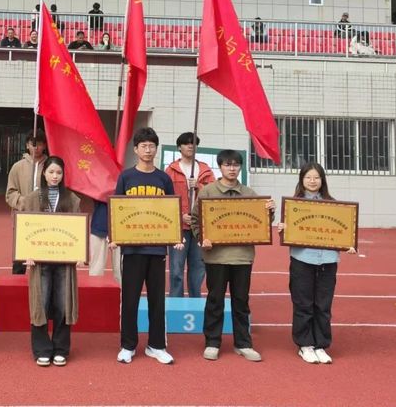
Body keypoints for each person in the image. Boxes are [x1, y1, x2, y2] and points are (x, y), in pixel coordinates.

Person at [191, 149, 275, 362]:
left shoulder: (249, 193)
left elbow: (262, 222)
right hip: (216, 257)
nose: (232, 168)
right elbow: (195, 220)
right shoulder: (207, 192)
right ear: (220, 166)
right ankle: (212, 342)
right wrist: (202, 238)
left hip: (242, 256)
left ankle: (243, 343)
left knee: (241, 301)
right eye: (227, 164)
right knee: (215, 300)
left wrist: (270, 211)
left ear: (240, 167)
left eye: (236, 165)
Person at [278, 163, 357, 365]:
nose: (312, 181)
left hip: (328, 261)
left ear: (322, 180)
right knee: (303, 303)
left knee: (323, 305)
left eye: (316, 177)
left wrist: (348, 243)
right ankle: (305, 345)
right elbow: (287, 232)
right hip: (302, 259)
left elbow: (344, 230)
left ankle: (320, 345)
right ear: (301, 180)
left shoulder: (334, 205)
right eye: (308, 177)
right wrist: (283, 228)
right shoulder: (293, 205)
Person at [113, 127, 179, 365]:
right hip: (132, 248)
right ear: (136, 149)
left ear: (156, 149)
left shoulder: (163, 179)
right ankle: (127, 345)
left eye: (152, 146)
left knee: (157, 300)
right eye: (144, 146)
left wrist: (175, 237)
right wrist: (115, 236)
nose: (148, 150)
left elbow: (171, 210)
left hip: (157, 248)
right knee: (130, 299)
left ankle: (156, 345)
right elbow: (117, 209)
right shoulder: (126, 177)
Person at [23, 156, 82, 366]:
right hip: (40, 261)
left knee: (63, 302)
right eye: (51, 172)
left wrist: (79, 253)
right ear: (44, 173)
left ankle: (61, 348)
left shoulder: (72, 199)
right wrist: (26, 253)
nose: (55, 176)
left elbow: (78, 229)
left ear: (63, 174)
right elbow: (25, 227)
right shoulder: (32, 198)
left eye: (58, 172)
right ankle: (42, 348)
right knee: (40, 301)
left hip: (64, 261)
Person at [165, 132, 215, 298]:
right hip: (179, 227)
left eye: (193, 143)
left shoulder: (205, 170)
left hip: (199, 226)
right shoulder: (171, 170)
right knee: (176, 269)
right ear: (179, 147)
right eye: (186, 143)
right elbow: (165, 198)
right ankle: (175, 302)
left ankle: (195, 301)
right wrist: (180, 215)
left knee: (198, 268)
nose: (190, 146)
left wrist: (199, 186)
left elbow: (214, 194)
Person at [6, 130, 48, 274]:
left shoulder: (50, 166)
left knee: (43, 257)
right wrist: (24, 202)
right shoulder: (18, 167)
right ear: (27, 145)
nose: (36, 147)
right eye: (33, 144)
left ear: (45, 145)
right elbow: (10, 193)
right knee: (20, 258)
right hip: (23, 218)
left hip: (44, 217)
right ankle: (17, 284)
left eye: (40, 144)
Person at [88, 198, 121, 284]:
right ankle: (95, 291)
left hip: (121, 226)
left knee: (121, 270)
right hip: (99, 224)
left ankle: (123, 293)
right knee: (96, 269)